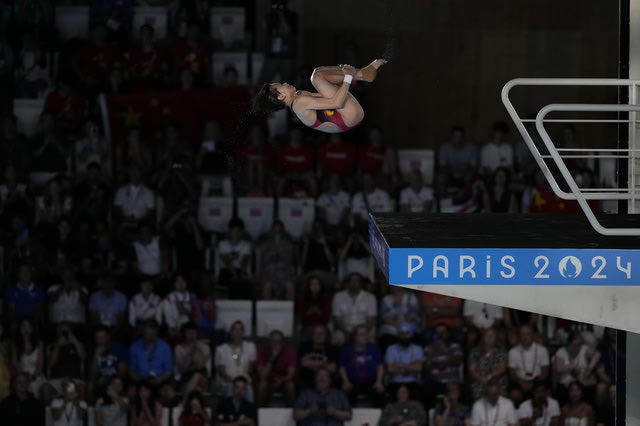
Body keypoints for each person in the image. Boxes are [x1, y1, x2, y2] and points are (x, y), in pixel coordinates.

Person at [254, 59, 387, 133]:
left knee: (318, 73)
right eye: (281, 85)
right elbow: (337, 103)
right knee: (316, 77)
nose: (285, 82)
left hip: (345, 115)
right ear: (281, 96)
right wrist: (347, 77)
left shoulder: (298, 95)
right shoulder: (299, 103)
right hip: (348, 117)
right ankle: (362, 74)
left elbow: (327, 94)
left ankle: (364, 74)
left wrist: (338, 77)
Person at [338, 324, 385, 407]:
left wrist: (379, 381)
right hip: (352, 382)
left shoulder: (374, 348)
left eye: (366, 334)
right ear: (355, 337)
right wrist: (345, 382)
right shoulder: (346, 350)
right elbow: (342, 367)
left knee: (380, 394)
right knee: (345, 395)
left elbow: (380, 366)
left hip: (371, 382)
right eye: (362, 335)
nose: (365, 336)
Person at [128, 320, 174, 405]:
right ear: (143, 332)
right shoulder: (135, 347)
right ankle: (138, 414)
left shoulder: (165, 347)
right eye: (148, 332)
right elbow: (131, 370)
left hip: (159, 380)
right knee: (132, 393)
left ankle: (157, 412)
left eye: (153, 332)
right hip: (141, 380)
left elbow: (169, 370)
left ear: (157, 332)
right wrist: (139, 380)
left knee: (169, 394)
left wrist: (160, 379)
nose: (150, 334)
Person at [554, 331, 600, 404]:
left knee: (589, 389)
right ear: (569, 343)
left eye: (580, 344)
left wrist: (589, 369)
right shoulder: (561, 351)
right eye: (576, 344)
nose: (578, 347)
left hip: (582, 383)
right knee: (563, 392)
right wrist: (573, 367)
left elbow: (597, 354)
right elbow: (558, 368)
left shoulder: (583, 348)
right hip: (566, 384)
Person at [215, 321, 257, 401]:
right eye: (235, 329)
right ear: (230, 332)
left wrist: (244, 379)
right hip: (227, 380)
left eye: (240, 329)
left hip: (244, 379)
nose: (238, 332)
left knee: (248, 389)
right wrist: (230, 379)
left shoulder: (250, 346)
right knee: (232, 387)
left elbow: (252, 366)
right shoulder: (221, 349)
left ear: (243, 332)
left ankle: (249, 412)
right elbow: (220, 369)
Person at [508, 325, 550, 405]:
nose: (525, 337)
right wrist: (521, 382)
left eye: (528, 334)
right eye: (522, 334)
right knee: (515, 394)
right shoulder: (512, 352)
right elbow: (512, 374)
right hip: (519, 381)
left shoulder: (542, 350)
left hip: (537, 380)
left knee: (542, 392)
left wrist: (533, 383)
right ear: (519, 336)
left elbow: (545, 373)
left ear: (533, 335)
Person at [87, 326, 128, 403]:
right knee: (90, 386)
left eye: (102, 338)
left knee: (117, 383)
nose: (100, 341)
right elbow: (91, 376)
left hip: (116, 379)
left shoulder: (119, 348)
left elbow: (122, 373)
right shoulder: (93, 350)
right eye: (97, 338)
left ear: (109, 337)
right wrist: (96, 356)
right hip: (100, 380)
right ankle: (91, 412)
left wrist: (109, 379)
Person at [257, 329, 297, 406]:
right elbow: (262, 376)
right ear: (270, 342)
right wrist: (272, 358)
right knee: (262, 385)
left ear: (283, 343)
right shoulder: (263, 352)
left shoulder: (289, 351)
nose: (275, 345)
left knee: (290, 386)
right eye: (273, 342)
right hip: (268, 380)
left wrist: (282, 380)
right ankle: (260, 413)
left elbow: (291, 374)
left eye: (278, 342)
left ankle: (292, 411)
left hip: (284, 380)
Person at [467, 328, 508, 401]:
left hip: (497, 381)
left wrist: (490, 376)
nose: (489, 338)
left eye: (492, 336)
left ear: (496, 338)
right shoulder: (475, 352)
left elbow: (502, 368)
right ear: (483, 337)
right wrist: (481, 378)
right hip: (480, 382)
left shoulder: (501, 351)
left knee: (496, 389)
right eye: (487, 335)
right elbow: (471, 370)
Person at [385, 323, 424, 398]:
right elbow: (390, 368)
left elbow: (419, 368)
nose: (404, 336)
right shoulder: (391, 349)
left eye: (407, 333)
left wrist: (400, 365)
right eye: (402, 333)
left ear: (411, 335)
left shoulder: (418, 349)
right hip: (395, 382)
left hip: (412, 382)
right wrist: (411, 366)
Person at [11, 317, 45, 398]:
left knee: (34, 387)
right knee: (21, 385)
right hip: (21, 374)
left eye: (28, 327)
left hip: (36, 374)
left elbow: (40, 364)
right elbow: (15, 362)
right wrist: (23, 377)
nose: (26, 329)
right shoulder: (15, 344)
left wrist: (33, 377)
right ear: (20, 328)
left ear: (32, 329)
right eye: (24, 326)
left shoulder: (39, 343)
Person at [298, 324, 338, 391]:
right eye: (316, 333)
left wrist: (311, 363)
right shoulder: (305, 346)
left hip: (326, 380)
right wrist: (324, 364)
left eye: (321, 333)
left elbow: (332, 368)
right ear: (312, 335)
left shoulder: (332, 349)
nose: (319, 335)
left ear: (326, 335)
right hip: (307, 379)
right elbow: (303, 363)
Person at [174, 322, 210, 395]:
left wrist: (196, 350)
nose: (191, 336)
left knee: (196, 376)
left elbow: (199, 366)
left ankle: (184, 403)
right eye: (188, 333)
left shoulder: (204, 347)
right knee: (196, 388)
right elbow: (183, 369)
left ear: (197, 333)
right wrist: (190, 353)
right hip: (186, 378)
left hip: (202, 377)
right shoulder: (179, 349)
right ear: (184, 334)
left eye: (193, 333)